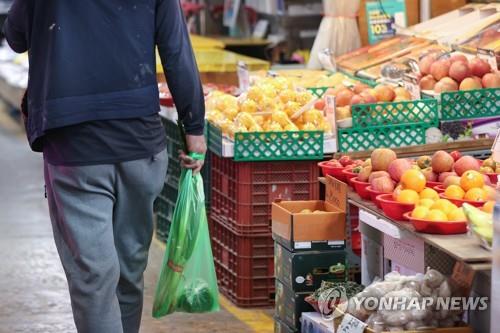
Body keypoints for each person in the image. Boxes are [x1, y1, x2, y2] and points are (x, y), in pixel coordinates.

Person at [3, 1, 206, 332]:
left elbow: (15, 36)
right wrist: (194, 128)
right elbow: (176, 50)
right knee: (128, 271)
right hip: (139, 147)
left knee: (94, 279)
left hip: (75, 152)